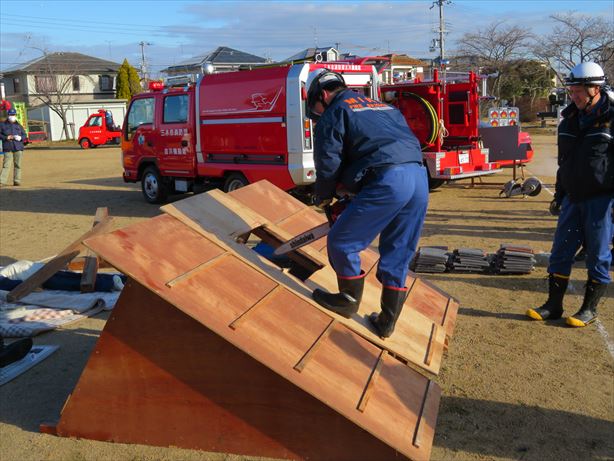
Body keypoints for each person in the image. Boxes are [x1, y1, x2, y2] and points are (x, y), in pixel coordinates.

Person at [305, 68, 429, 338]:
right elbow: (381, 146)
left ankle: (347, 301)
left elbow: (328, 160)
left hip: (389, 179)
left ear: (323, 95)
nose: (317, 116)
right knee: (398, 249)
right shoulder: (382, 107)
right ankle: (387, 321)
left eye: (315, 109)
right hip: (419, 176)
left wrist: (324, 195)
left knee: (342, 242)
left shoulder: (335, 110)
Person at [527, 62, 613, 327]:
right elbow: (564, 161)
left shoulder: (611, 119)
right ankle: (553, 305)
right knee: (560, 252)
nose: (573, 95)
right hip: (572, 198)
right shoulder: (568, 119)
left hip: (603, 199)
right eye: (572, 89)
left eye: (578, 90)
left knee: (597, 254)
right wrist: (560, 194)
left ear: (595, 89)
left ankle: (589, 308)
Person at [0, 108, 28, 187]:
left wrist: (21, 138)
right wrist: (6, 137)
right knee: (6, 165)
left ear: (15, 115)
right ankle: (2, 181)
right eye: (11, 114)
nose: (12, 116)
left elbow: (24, 135)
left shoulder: (19, 125)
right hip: (8, 147)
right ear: (8, 115)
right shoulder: (2, 125)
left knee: (18, 165)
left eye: (13, 114)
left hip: (18, 147)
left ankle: (17, 181)